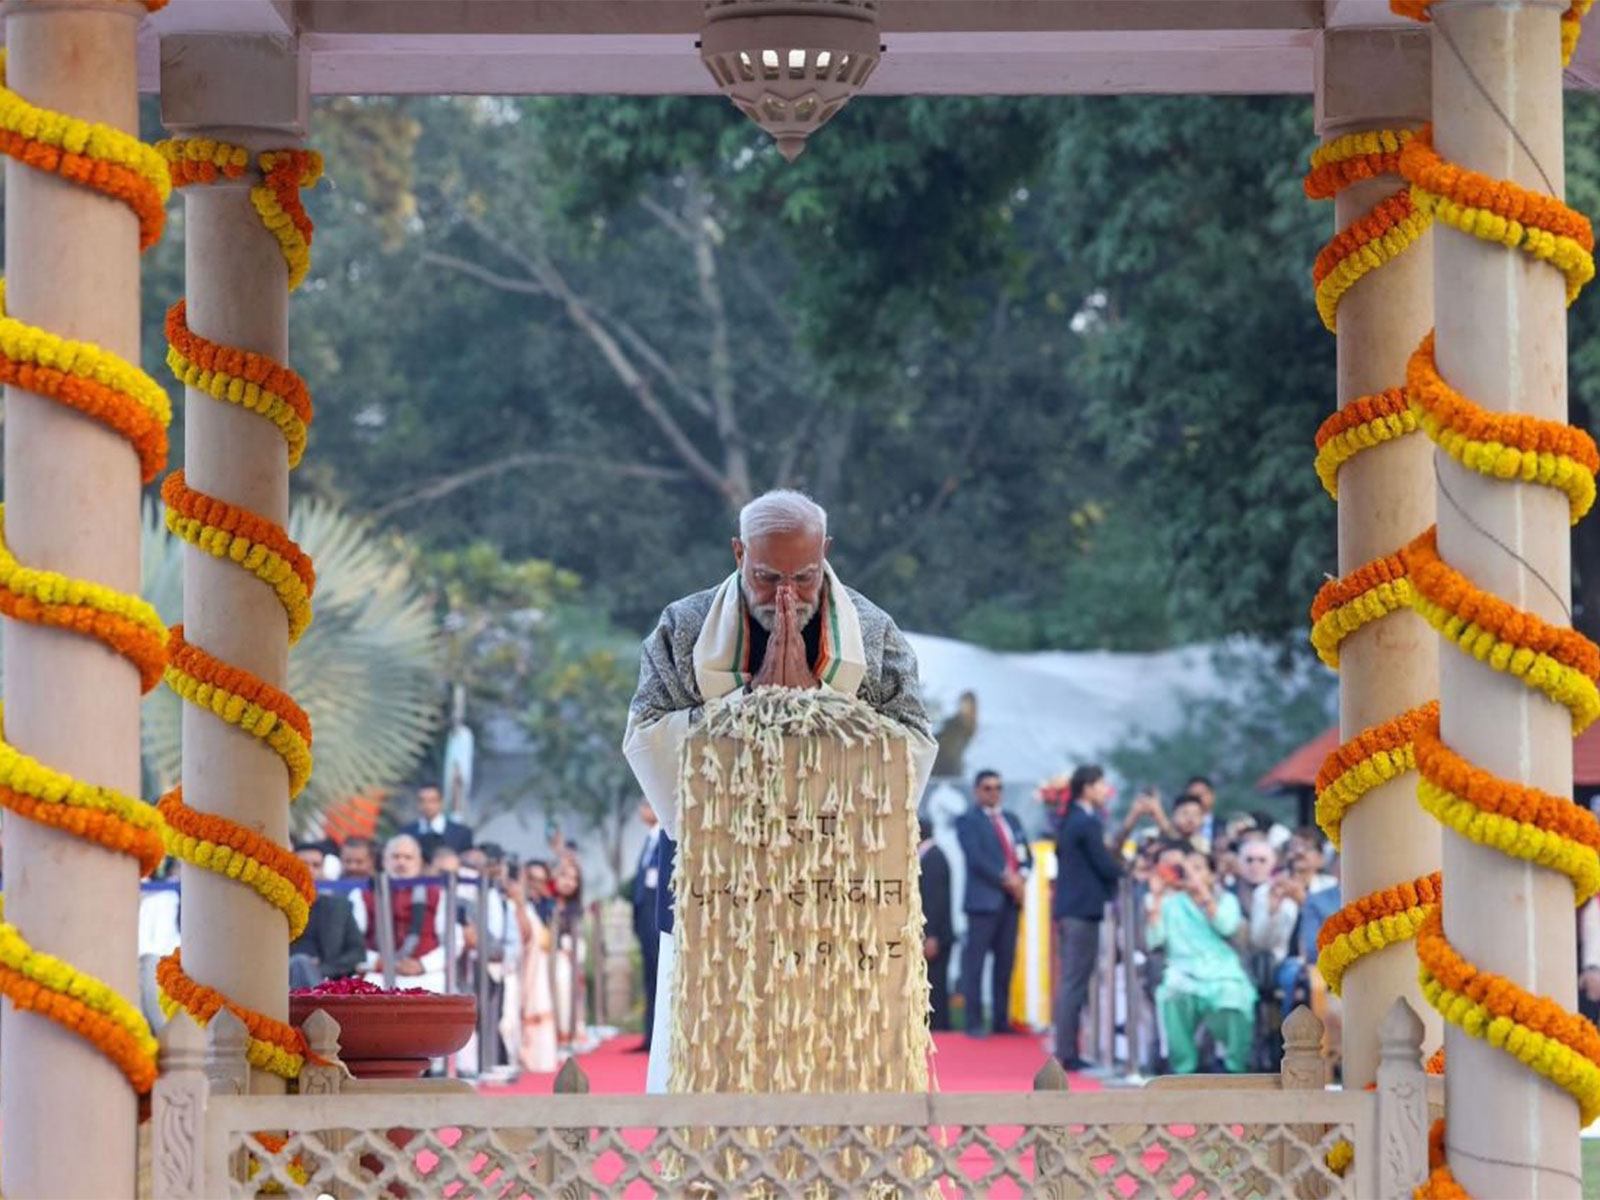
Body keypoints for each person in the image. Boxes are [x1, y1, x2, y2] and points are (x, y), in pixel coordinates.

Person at [622, 489, 937, 1094]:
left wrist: (816, 710)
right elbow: (644, 739)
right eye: (766, 578)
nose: (786, 595)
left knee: (830, 1056)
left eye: (805, 575)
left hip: (836, 890)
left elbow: (914, 746)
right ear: (739, 552)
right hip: (716, 884)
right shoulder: (684, 628)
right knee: (712, 1056)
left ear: (827, 553)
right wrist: (750, 707)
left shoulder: (872, 633)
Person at [1145, 847, 1256, 1074]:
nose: (1190, 873)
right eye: (1186, 868)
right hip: (1182, 972)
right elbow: (1154, 940)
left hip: (1222, 971)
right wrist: (1156, 897)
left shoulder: (1226, 900)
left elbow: (1226, 926)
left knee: (1235, 998)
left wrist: (1203, 895)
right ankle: (1184, 1068)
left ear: (1212, 875)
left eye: (1197, 868)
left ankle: (1234, 1066)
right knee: (1171, 995)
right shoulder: (1169, 902)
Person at [1051, 764, 1122, 1070]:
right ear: (1088, 787)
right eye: (1102, 785)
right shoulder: (1086, 822)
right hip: (1081, 911)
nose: (1106, 791)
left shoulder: (1070, 820)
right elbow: (1103, 864)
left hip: (1072, 909)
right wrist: (1124, 873)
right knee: (1075, 982)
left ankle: (1067, 1047)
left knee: (1073, 981)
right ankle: (1067, 1051)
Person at [956, 769, 1032, 1037]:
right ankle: (974, 1022)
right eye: (988, 788)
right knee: (974, 965)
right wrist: (1006, 879)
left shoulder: (1011, 819)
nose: (994, 792)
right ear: (977, 791)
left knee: (1005, 964)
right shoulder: (967, 820)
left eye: (998, 787)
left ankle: (1001, 1020)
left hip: (1010, 903)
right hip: (983, 902)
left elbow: (1025, 854)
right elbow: (976, 859)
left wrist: (1021, 876)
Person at [362, 834, 449, 993]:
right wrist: (377, 961)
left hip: (426, 974)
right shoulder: (364, 893)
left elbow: (453, 942)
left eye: (408, 857)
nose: (401, 862)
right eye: (395, 857)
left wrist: (423, 965)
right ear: (384, 861)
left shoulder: (437, 894)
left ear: (419, 863)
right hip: (378, 974)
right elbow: (353, 942)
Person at [289, 841, 367, 990]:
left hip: (324, 976)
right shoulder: (276, 905)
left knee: (302, 964)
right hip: (283, 976)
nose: (310, 870)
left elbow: (357, 952)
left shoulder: (339, 907)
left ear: (323, 870)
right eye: (304, 864)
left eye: (316, 865)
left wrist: (323, 968)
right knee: (299, 962)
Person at [508, 871, 558, 1073]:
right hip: (521, 965)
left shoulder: (541, 906)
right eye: (531, 880)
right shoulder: (519, 906)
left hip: (537, 966)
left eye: (540, 881)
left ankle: (537, 1055)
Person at [631, 801, 663, 1053]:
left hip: (655, 922)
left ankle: (657, 1036)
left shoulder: (664, 838)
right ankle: (649, 1034)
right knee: (649, 980)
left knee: (658, 978)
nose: (642, 811)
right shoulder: (649, 839)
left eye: (646, 805)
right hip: (644, 920)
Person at [918, 817, 955, 1031]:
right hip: (935, 935)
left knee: (936, 985)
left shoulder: (933, 859)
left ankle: (939, 1028)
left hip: (935, 936)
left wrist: (930, 935)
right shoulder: (931, 856)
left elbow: (934, 901)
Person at [549, 858, 588, 1055]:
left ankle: (566, 1034)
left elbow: (578, 940)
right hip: (543, 956)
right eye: (564, 876)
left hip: (565, 958)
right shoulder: (545, 902)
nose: (568, 882)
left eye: (574, 879)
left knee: (565, 980)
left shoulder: (575, 909)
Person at [404, 786, 473, 859]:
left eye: (432, 801)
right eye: (422, 801)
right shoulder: (406, 832)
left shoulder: (462, 833)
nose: (427, 805)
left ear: (441, 802)